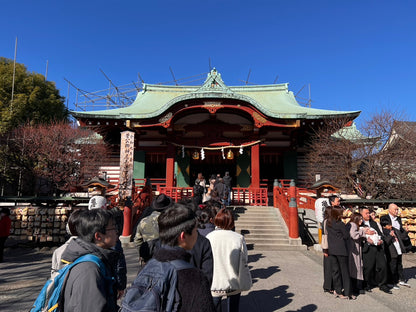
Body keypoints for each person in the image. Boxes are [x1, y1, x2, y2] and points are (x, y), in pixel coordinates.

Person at [152, 204, 215, 312]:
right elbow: (208, 274)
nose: (197, 234)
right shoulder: (203, 243)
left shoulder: (149, 265)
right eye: (196, 230)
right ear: (183, 235)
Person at [60, 209, 120, 311]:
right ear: (98, 236)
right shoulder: (89, 270)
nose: (117, 232)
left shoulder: (96, 260)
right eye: (113, 227)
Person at [207, 208, 252, 312]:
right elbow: (245, 258)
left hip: (215, 281)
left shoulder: (209, 237)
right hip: (234, 281)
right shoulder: (238, 238)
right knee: (233, 308)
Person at [133, 193, 174, 263]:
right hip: (166, 257)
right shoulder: (171, 221)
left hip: (148, 255)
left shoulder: (143, 221)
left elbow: (137, 241)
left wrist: (143, 253)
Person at [360, 207, 391, 294]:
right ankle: (366, 284)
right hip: (368, 248)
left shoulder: (374, 223)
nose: (368, 215)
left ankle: (383, 284)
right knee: (368, 267)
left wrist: (381, 240)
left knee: (382, 265)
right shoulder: (359, 224)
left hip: (378, 247)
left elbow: (380, 234)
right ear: (361, 214)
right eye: (366, 213)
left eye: (369, 213)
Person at [380, 203, 411, 288]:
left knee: (399, 262)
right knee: (392, 264)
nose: (397, 211)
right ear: (390, 210)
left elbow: (400, 232)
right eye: (395, 209)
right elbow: (384, 232)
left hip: (398, 242)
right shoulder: (384, 218)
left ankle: (401, 279)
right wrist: (390, 234)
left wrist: (405, 232)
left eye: (397, 209)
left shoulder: (398, 219)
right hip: (390, 244)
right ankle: (391, 281)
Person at [326, 206, 354, 299]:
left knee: (335, 271)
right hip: (341, 250)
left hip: (332, 250)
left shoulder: (328, 223)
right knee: (345, 271)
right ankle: (347, 292)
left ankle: (338, 291)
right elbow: (346, 236)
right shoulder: (340, 224)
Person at [348, 212, 373, 295]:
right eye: (360, 219)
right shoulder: (353, 225)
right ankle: (356, 287)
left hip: (355, 248)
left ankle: (356, 286)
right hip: (353, 249)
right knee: (355, 266)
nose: (361, 221)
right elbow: (354, 235)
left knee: (357, 266)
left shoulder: (353, 225)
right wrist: (363, 231)